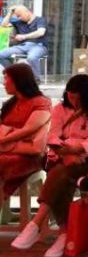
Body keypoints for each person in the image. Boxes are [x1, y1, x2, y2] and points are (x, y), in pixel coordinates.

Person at [12, 74, 88, 257]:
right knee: (61, 176)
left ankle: (36, 223)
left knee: (59, 174)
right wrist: (67, 154)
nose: (74, 102)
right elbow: (53, 135)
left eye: (78, 98)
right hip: (62, 155)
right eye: (71, 97)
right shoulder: (59, 109)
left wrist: (76, 150)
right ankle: (64, 234)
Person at [0, 64, 51, 211]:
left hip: (29, 156)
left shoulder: (41, 102)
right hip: (9, 150)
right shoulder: (10, 104)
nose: (4, 83)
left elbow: (29, 130)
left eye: (6, 78)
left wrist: (4, 139)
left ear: (19, 80)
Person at [0, 6, 48, 82]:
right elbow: (3, 25)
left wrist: (24, 36)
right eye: (17, 16)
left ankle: (36, 79)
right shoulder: (18, 21)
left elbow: (40, 32)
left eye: (20, 15)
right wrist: (10, 12)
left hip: (38, 46)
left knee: (32, 57)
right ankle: (15, 74)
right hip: (22, 46)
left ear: (27, 12)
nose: (19, 18)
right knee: (1, 54)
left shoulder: (40, 20)